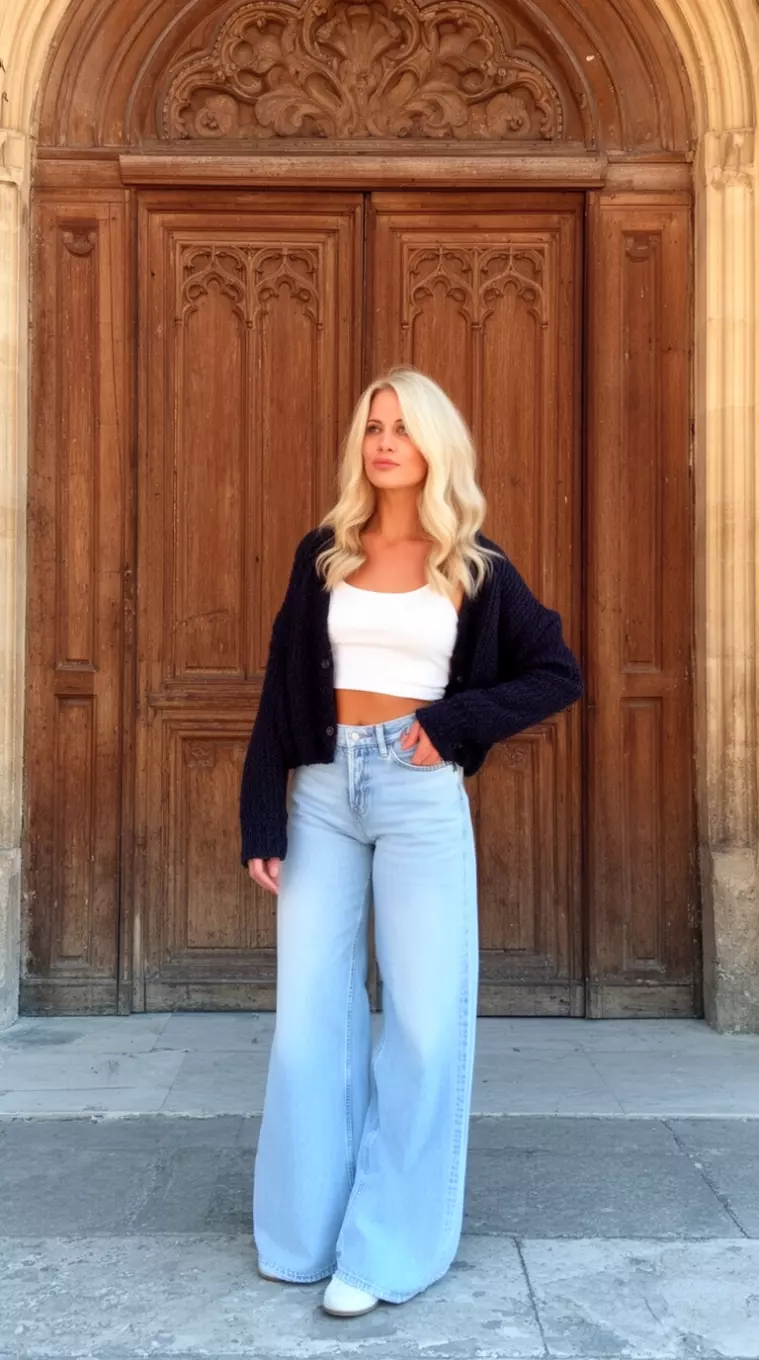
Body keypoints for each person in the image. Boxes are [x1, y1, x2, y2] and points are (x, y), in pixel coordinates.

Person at [239, 367, 583, 1318]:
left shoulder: (473, 564)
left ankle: (389, 1248)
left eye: (400, 428)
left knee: (426, 1024)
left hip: (418, 790)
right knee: (312, 1022)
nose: (383, 441)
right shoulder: (325, 556)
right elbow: (279, 693)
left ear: (434, 446)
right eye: (372, 426)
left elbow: (557, 672)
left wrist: (455, 724)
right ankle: (305, 1233)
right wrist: (259, 819)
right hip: (319, 791)